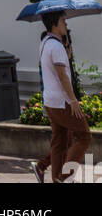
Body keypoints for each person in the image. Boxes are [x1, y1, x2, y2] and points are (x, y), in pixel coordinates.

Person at [33, 11, 91, 184]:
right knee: (84, 136)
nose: (66, 24)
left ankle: (58, 178)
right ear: (54, 24)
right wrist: (73, 100)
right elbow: (63, 76)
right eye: (63, 21)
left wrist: (66, 55)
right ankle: (65, 178)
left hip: (51, 100)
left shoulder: (46, 43)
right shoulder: (56, 46)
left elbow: (57, 68)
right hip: (62, 101)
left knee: (60, 141)